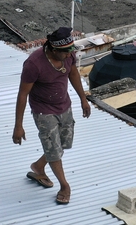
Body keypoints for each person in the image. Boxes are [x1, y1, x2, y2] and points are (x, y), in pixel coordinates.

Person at [13, 27, 91, 205]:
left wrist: (83, 99)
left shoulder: (68, 54)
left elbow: (73, 74)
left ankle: (38, 166)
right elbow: (23, 94)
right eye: (65, 52)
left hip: (64, 106)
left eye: (71, 51)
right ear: (53, 49)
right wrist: (18, 125)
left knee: (63, 144)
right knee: (54, 150)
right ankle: (64, 186)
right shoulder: (34, 64)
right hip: (43, 111)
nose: (69, 55)